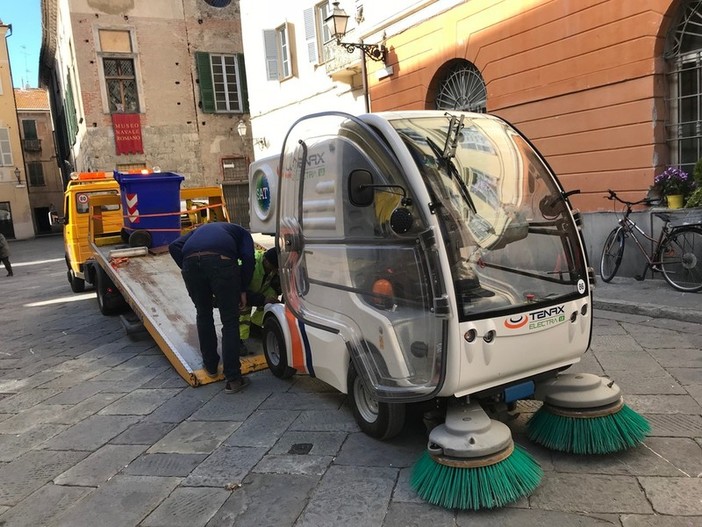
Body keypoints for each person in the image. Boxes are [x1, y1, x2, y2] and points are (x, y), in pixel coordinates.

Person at [169, 222, 254, 393]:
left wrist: (188, 268)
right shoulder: (243, 233)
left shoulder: (200, 230)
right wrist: (243, 288)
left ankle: (211, 366)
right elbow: (248, 258)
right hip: (222, 264)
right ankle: (233, 379)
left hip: (190, 264)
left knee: (203, 314)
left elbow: (174, 246)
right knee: (230, 320)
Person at [239, 247, 281, 353]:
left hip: (257, 290)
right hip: (241, 293)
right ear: (265, 261)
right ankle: (237, 338)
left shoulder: (272, 266)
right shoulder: (249, 265)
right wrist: (263, 299)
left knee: (272, 297)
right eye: (273, 268)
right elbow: (239, 291)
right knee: (243, 308)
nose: (274, 271)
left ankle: (255, 326)